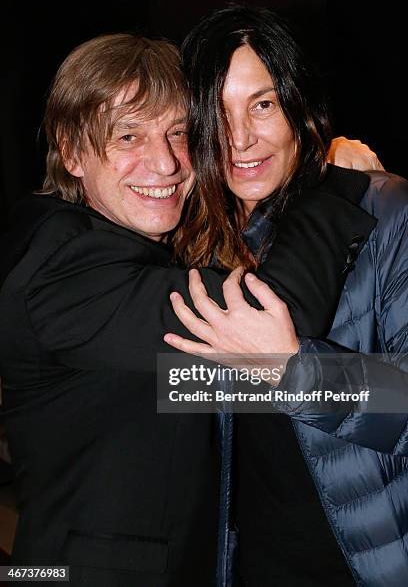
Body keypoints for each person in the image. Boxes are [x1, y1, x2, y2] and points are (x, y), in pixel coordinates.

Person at [0, 31, 368, 586]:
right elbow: (271, 316)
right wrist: (330, 184)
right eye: (128, 136)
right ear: (71, 152)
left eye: (181, 133)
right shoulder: (69, 270)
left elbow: (197, 383)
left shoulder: (125, 249)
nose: (167, 163)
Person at [164, 6, 408, 586]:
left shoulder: (383, 210)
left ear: (298, 106)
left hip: (364, 562)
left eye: (263, 104)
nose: (242, 139)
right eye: (219, 113)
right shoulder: (189, 238)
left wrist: (293, 368)